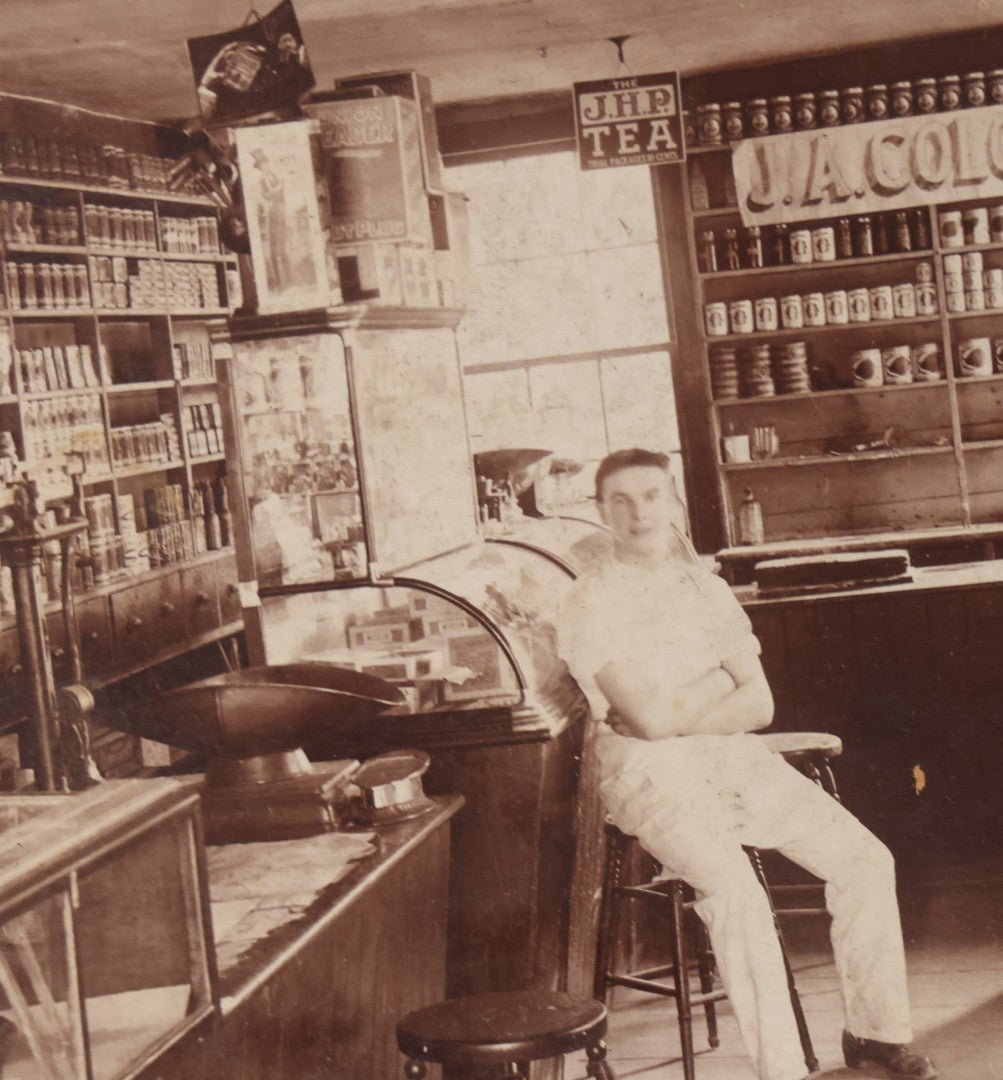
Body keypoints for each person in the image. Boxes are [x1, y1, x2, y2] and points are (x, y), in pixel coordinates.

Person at [557, 448, 937, 1080]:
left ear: (673, 501)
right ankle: (782, 1069)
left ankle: (874, 1034)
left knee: (866, 860)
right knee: (737, 893)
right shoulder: (589, 601)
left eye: (651, 495)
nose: (638, 512)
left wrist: (674, 709)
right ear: (601, 512)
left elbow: (757, 703)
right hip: (649, 778)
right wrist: (711, 687)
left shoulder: (704, 588)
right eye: (620, 500)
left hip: (732, 761)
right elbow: (645, 727)